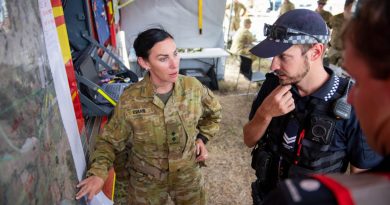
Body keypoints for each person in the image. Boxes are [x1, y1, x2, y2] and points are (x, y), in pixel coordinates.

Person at [243, 9, 382, 204]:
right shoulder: (274, 85)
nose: (273, 66)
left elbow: (364, 181)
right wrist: (264, 114)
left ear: (316, 52)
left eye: (283, 56)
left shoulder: (354, 104)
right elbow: (249, 139)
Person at [75, 28, 222, 204]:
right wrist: (98, 173)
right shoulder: (130, 99)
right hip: (146, 182)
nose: (174, 64)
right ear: (144, 63)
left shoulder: (193, 88)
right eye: (163, 58)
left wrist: (201, 139)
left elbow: (214, 114)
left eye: (175, 54)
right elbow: (109, 142)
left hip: (187, 176)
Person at [328, 0, 354, 67]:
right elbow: (326, 28)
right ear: (346, 7)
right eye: (351, 6)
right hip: (333, 49)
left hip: (345, 51)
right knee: (329, 69)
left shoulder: (355, 20)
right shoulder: (335, 18)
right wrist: (328, 44)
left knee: (341, 72)